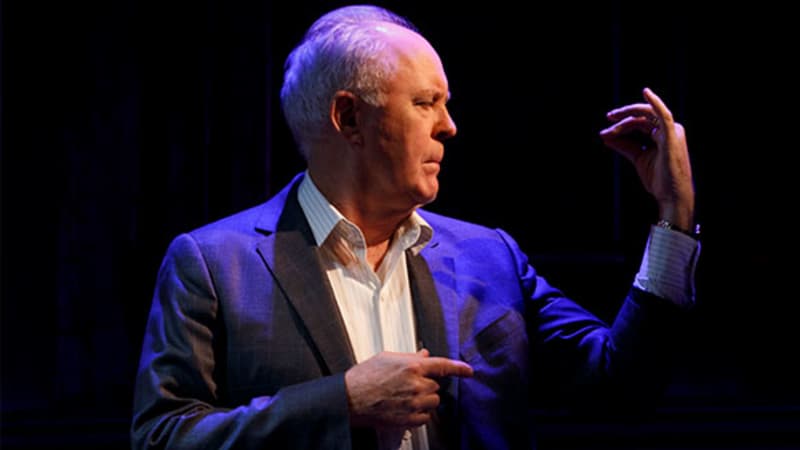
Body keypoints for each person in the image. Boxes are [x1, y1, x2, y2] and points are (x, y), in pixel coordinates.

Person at [130, 4, 700, 449]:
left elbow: (623, 388)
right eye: (426, 103)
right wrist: (340, 403)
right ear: (349, 117)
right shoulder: (213, 265)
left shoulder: (490, 257)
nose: (449, 127)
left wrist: (674, 220)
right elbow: (162, 436)